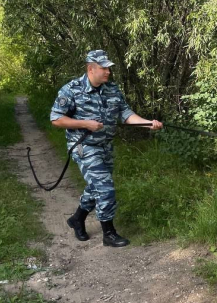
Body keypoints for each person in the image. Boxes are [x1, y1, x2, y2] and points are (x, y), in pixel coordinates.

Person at [50, 50, 162, 247]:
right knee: (105, 188)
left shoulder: (112, 89)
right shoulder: (72, 90)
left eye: (108, 68)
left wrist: (147, 123)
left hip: (105, 147)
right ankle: (109, 233)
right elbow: (56, 119)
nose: (108, 72)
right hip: (84, 147)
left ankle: (77, 219)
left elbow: (126, 114)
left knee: (95, 186)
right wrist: (85, 123)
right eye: (103, 68)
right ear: (90, 68)